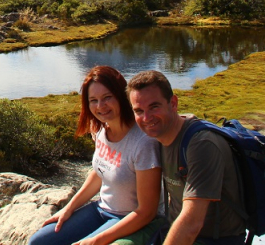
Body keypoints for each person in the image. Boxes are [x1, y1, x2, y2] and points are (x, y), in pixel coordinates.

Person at [29, 65, 165, 245]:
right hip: (101, 209)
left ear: (122, 96)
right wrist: (68, 209)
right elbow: (99, 173)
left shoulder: (143, 143)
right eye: (93, 100)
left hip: (128, 218)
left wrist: (96, 240)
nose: (100, 106)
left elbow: (147, 212)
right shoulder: (102, 130)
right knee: (38, 242)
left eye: (107, 97)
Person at [125, 70, 247, 245]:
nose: (146, 118)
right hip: (174, 229)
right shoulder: (158, 136)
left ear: (173, 103)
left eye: (154, 106)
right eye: (138, 110)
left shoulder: (201, 145)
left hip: (214, 239)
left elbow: (191, 225)